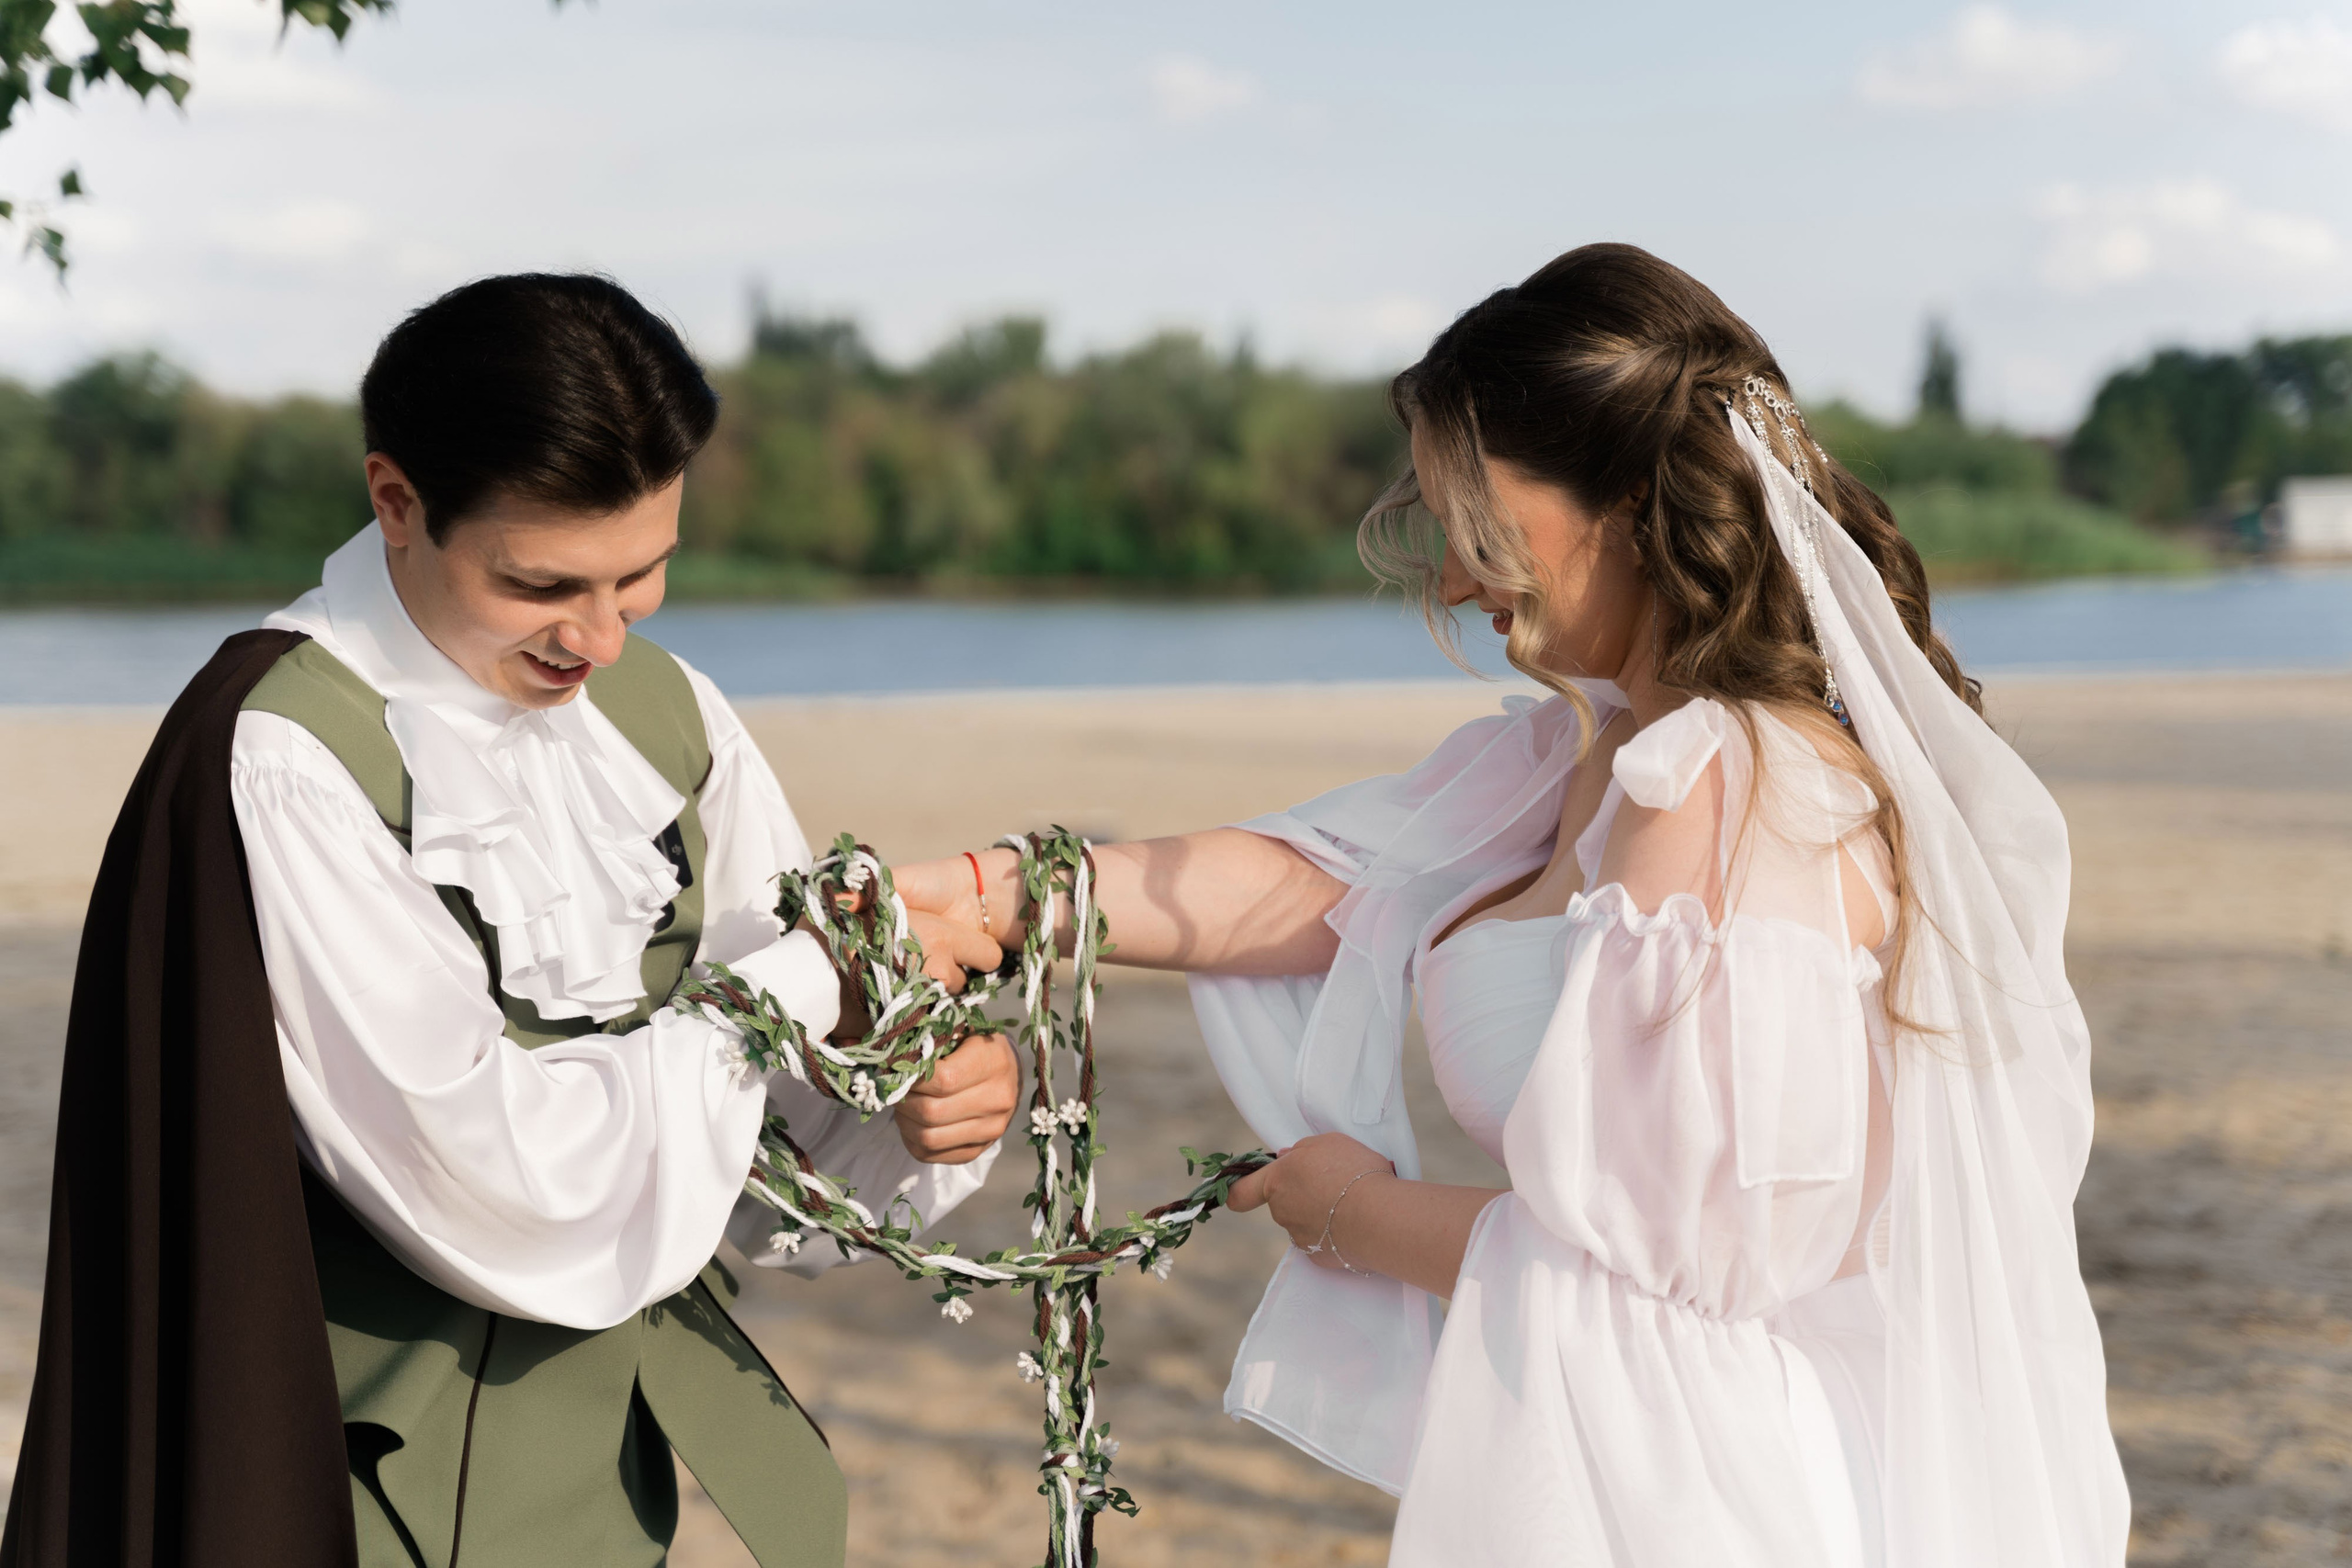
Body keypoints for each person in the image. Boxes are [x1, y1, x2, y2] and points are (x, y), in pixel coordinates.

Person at [896, 244, 2130, 1565]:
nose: (1453, 579)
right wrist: (999, 894)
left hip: (1706, 1501)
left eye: (1481, 525)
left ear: (1633, 501)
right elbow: (1328, 887)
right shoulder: (1597, 757)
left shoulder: (1718, 783)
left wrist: (1349, 1214)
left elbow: (1655, 1292)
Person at [3, 273, 1019, 1568]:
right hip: (345, 1493)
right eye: (543, 584)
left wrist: (903, 1105)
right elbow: (496, 1180)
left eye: (643, 573)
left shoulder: (670, 720)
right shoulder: (286, 756)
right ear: (397, 503)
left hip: (607, 1492)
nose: (598, 638)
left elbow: (746, 1145)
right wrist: (810, 990)